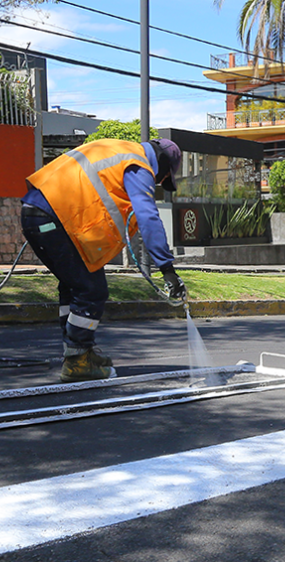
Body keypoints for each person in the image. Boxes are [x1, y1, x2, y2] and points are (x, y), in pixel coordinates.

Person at [19, 138, 186, 382]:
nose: (158, 182)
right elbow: (148, 216)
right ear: (161, 162)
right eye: (162, 177)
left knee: (75, 287)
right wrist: (167, 268)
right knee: (91, 290)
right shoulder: (138, 164)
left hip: (36, 212)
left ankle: (79, 353)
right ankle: (77, 361)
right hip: (53, 217)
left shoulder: (116, 148)